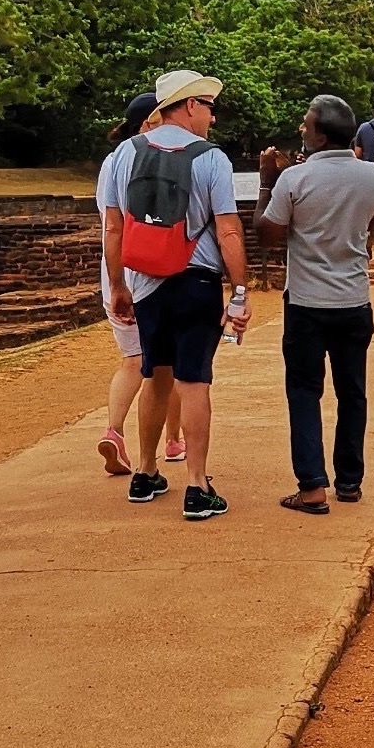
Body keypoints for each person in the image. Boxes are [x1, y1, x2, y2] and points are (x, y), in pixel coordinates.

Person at [103, 69, 250, 519]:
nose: (211, 115)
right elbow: (228, 230)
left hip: (145, 282)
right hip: (196, 280)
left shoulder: (123, 155)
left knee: (155, 374)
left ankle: (146, 473)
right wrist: (240, 291)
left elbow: (114, 227)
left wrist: (119, 287)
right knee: (194, 380)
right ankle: (197, 484)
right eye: (207, 106)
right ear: (189, 105)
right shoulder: (212, 159)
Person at [254, 95, 374, 513]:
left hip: (308, 302)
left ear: (321, 135)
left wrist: (266, 182)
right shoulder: (371, 176)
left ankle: (312, 487)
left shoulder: (294, 179)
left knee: (304, 391)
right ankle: (349, 481)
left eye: (306, 125)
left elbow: (268, 235)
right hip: (353, 299)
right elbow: (372, 227)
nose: (301, 130)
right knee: (352, 393)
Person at [95, 92, 183, 476]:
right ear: (148, 123)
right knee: (170, 362)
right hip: (154, 265)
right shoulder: (160, 157)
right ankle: (173, 439)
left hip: (116, 266)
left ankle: (114, 430)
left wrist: (115, 282)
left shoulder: (111, 162)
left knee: (133, 359)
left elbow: (110, 224)